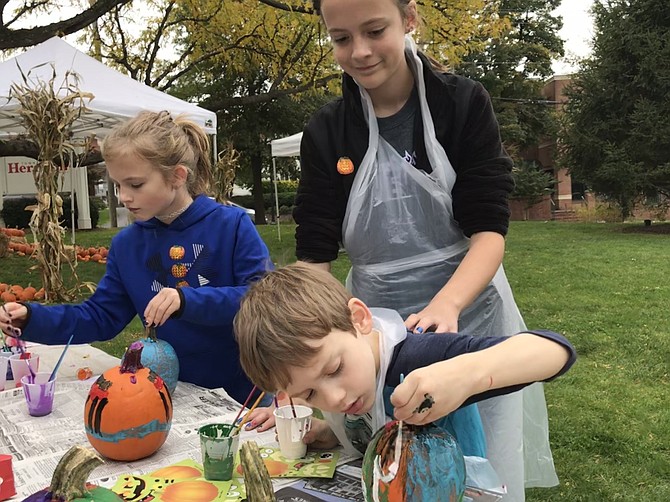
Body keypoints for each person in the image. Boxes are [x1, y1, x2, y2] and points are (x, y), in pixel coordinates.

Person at [290, 0, 556, 499]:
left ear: (409, 19)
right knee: (395, 468)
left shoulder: (461, 104)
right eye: (342, 38)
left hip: (468, 308)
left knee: (480, 465)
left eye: (374, 31)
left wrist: (447, 305)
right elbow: (315, 253)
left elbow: (488, 230)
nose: (360, 51)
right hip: (370, 324)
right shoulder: (327, 130)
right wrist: (307, 349)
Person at [0, 110, 272, 405]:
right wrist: (33, 318)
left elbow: (262, 301)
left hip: (241, 393)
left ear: (177, 176)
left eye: (135, 185)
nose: (123, 196)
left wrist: (187, 301)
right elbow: (100, 317)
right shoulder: (127, 245)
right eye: (118, 185)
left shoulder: (230, 225)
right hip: (165, 394)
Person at [234, 263, 576, 463]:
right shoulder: (342, 365)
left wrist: (467, 373)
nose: (334, 398)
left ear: (359, 319)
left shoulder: (420, 357)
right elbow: (369, 432)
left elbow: (556, 350)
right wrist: (322, 431)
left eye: (334, 370)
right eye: (309, 394)